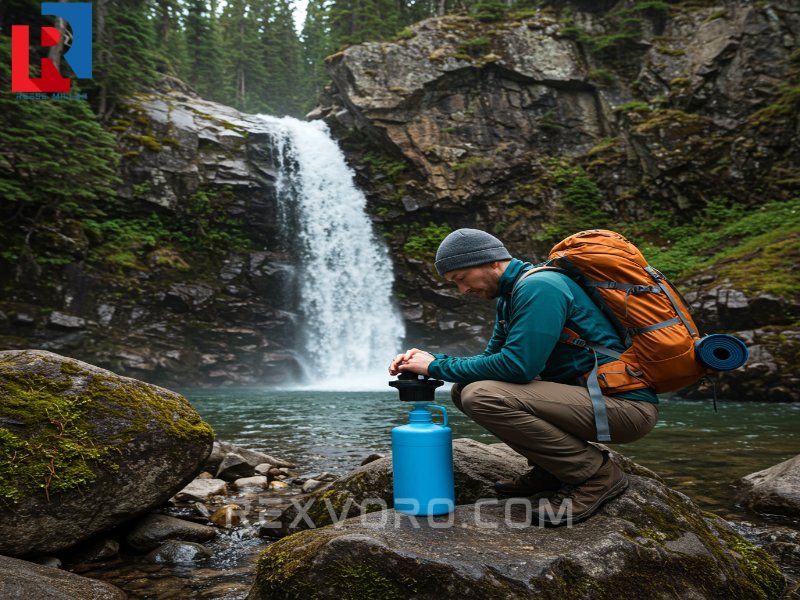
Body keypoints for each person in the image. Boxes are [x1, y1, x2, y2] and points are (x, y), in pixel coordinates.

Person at [388, 228, 659, 526]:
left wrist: (435, 367)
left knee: (482, 396)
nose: (462, 291)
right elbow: (492, 360)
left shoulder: (541, 287)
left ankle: (595, 476)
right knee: (465, 388)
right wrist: (433, 361)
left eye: (461, 279)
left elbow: (518, 367)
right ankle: (553, 468)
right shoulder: (512, 295)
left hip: (624, 407)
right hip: (593, 402)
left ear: (491, 262)